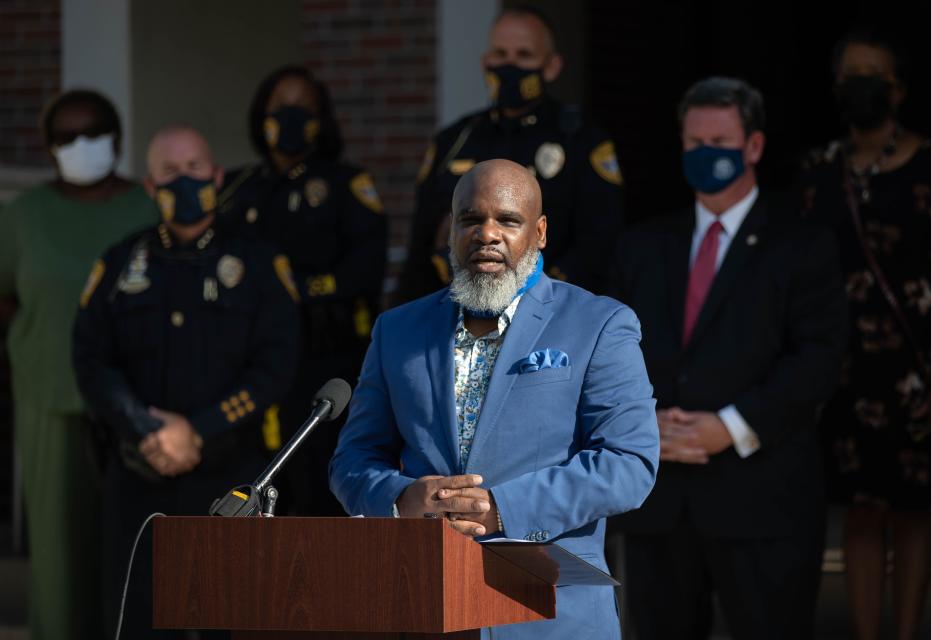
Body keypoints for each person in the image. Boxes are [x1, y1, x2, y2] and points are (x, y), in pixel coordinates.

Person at [330, 159, 659, 639]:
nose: (487, 234)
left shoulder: (599, 324)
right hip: (426, 605)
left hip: (551, 614)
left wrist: (501, 508)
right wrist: (403, 499)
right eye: (470, 219)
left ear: (540, 232)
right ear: (450, 231)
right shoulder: (397, 331)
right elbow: (353, 460)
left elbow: (629, 463)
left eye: (507, 220)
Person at [609, 77, 847, 639]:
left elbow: (819, 357)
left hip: (763, 501)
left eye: (721, 140)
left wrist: (731, 427)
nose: (706, 154)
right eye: (695, 143)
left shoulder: (803, 244)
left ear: (755, 146)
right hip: (658, 504)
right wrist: (642, 425)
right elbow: (609, 355)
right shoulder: (642, 245)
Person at [73, 124, 299, 638]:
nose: (184, 181)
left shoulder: (260, 263)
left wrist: (198, 429)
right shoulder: (118, 264)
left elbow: (276, 366)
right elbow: (90, 359)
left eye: (194, 169)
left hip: (233, 475)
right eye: (169, 172)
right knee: (138, 619)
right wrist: (146, 429)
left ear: (217, 176)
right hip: (139, 473)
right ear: (149, 187)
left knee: (234, 616)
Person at [797, 29, 931, 640]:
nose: (860, 85)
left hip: (921, 372)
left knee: (914, 511)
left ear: (898, 88)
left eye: (874, 74)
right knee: (861, 511)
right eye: (850, 74)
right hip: (841, 371)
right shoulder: (815, 173)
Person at [0, 89, 156, 640]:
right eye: (65, 137)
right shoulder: (25, 216)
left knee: (132, 544)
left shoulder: (145, 205)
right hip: (51, 398)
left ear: (115, 136)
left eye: (92, 131)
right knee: (59, 550)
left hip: (137, 404)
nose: (80, 144)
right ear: (48, 148)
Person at [218, 65, 387, 516]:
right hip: (250, 360)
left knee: (318, 486)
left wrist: (293, 292)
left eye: (303, 109)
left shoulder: (345, 185)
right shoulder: (237, 188)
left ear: (322, 118)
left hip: (323, 356)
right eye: (279, 108)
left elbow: (363, 269)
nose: (289, 117)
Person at [395, 6, 623, 303]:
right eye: (500, 55)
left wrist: (535, 299)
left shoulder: (581, 140)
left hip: (548, 314)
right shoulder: (454, 140)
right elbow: (421, 246)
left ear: (551, 66)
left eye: (524, 55)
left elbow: (600, 244)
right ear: (485, 62)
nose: (510, 66)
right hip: (455, 311)